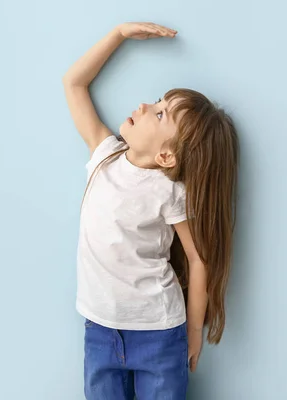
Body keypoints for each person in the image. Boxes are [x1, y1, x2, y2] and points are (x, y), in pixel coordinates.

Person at [62, 22, 239, 400]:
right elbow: (73, 83)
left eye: (159, 114)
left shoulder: (169, 191)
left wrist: (194, 331)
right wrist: (119, 34)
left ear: (166, 155)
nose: (144, 106)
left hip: (159, 334)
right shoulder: (104, 157)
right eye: (157, 102)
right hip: (100, 332)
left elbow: (198, 257)